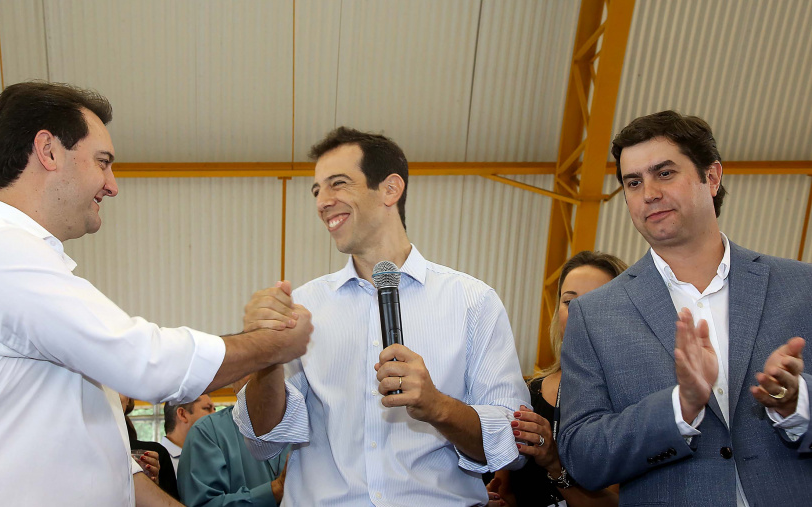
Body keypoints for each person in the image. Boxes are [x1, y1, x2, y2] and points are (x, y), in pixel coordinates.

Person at [0, 81, 312, 507]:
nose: (112, 185)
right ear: (48, 151)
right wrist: (272, 343)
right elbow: (145, 362)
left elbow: (106, 462)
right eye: (103, 162)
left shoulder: (16, 261)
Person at [234, 127, 531, 505]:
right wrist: (266, 357)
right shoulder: (303, 308)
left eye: (338, 184)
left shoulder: (472, 302)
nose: (322, 202)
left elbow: (512, 446)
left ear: (391, 189)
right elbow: (263, 443)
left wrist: (438, 406)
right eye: (316, 190)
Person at [558, 111, 811, 506]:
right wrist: (681, 406)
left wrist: (798, 403)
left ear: (712, 177)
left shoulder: (801, 285)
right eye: (633, 182)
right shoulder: (594, 316)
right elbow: (582, 456)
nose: (649, 194)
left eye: (664, 173)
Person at [487, 251, 626, 507]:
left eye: (596, 302)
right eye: (570, 302)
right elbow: (504, 489)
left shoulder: (631, 403)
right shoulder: (527, 394)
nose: (580, 313)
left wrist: (554, 464)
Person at [178, 376, 290, 507]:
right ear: (233, 384)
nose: (260, 375)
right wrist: (275, 490)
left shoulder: (306, 428)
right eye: (249, 369)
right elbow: (202, 503)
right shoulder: (207, 432)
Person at [161, 394, 215, 474]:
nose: (215, 415)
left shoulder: (211, 457)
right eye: (207, 408)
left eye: (214, 409)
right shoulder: (156, 463)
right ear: (182, 414)